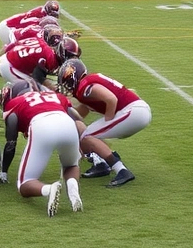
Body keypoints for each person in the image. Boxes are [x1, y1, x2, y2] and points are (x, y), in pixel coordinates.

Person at [0, 80, 84, 216]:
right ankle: (72, 188)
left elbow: (11, 142)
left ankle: (49, 189)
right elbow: (77, 118)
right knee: (70, 165)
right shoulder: (55, 96)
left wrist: (4, 171)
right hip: (68, 124)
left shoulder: (15, 103)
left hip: (41, 126)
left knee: (25, 184)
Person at [57, 59, 148, 188]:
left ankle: (121, 170)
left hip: (134, 112)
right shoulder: (86, 85)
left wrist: (108, 122)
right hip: (136, 111)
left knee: (87, 137)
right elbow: (82, 112)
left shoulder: (85, 85)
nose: (66, 86)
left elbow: (111, 99)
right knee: (87, 136)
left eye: (66, 82)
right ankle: (101, 164)